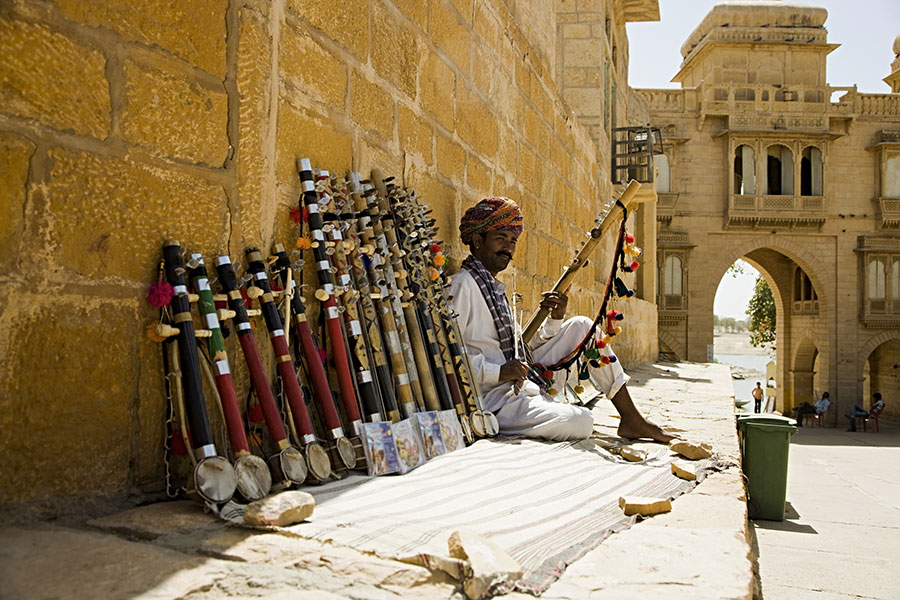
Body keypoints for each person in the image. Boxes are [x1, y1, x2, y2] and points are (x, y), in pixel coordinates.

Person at [449, 196, 674, 443]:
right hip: (494, 398)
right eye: (500, 238)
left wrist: (554, 321)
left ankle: (631, 419)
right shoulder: (463, 286)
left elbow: (521, 350)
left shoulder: (493, 288)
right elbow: (450, 358)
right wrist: (499, 372)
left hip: (521, 380)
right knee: (582, 421)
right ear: (478, 240)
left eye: (513, 240)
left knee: (582, 327)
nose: (509, 247)